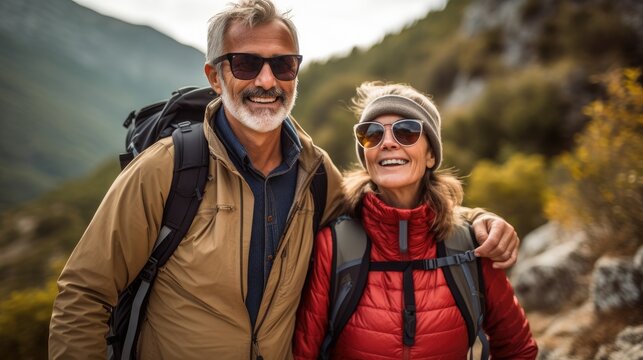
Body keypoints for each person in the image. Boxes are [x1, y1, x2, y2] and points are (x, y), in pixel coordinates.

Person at [49, 1, 521, 359]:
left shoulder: (315, 175)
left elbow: (392, 207)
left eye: (283, 64)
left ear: (297, 72)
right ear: (215, 76)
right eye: (247, 64)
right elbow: (85, 294)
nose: (267, 80)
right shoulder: (168, 168)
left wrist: (477, 219)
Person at [293, 81, 538, 359]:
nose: (386, 143)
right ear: (366, 156)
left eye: (406, 131)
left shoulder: (472, 243)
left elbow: (518, 349)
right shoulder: (333, 245)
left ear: (431, 154)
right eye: (371, 134)